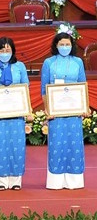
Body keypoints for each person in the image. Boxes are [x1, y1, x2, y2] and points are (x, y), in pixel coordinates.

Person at [0, 36, 30, 191]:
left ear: (13, 51)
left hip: (16, 114)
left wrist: (25, 107)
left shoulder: (20, 66)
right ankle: (0, 180)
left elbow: (25, 87)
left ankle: (16, 179)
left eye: (7, 50)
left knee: (17, 146)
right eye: (1, 50)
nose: (5, 53)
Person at [40, 32, 85, 189]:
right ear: (56, 46)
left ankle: (74, 180)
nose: (65, 47)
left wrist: (83, 107)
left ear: (72, 45)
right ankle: (56, 181)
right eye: (62, 44)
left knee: (74, 144)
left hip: (74, 110)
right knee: (57, 144)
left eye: (67, 44)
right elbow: (44, 89)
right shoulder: (49, 62)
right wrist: (48, 109)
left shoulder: (78, 62)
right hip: (56, 111)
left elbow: (82, 85)